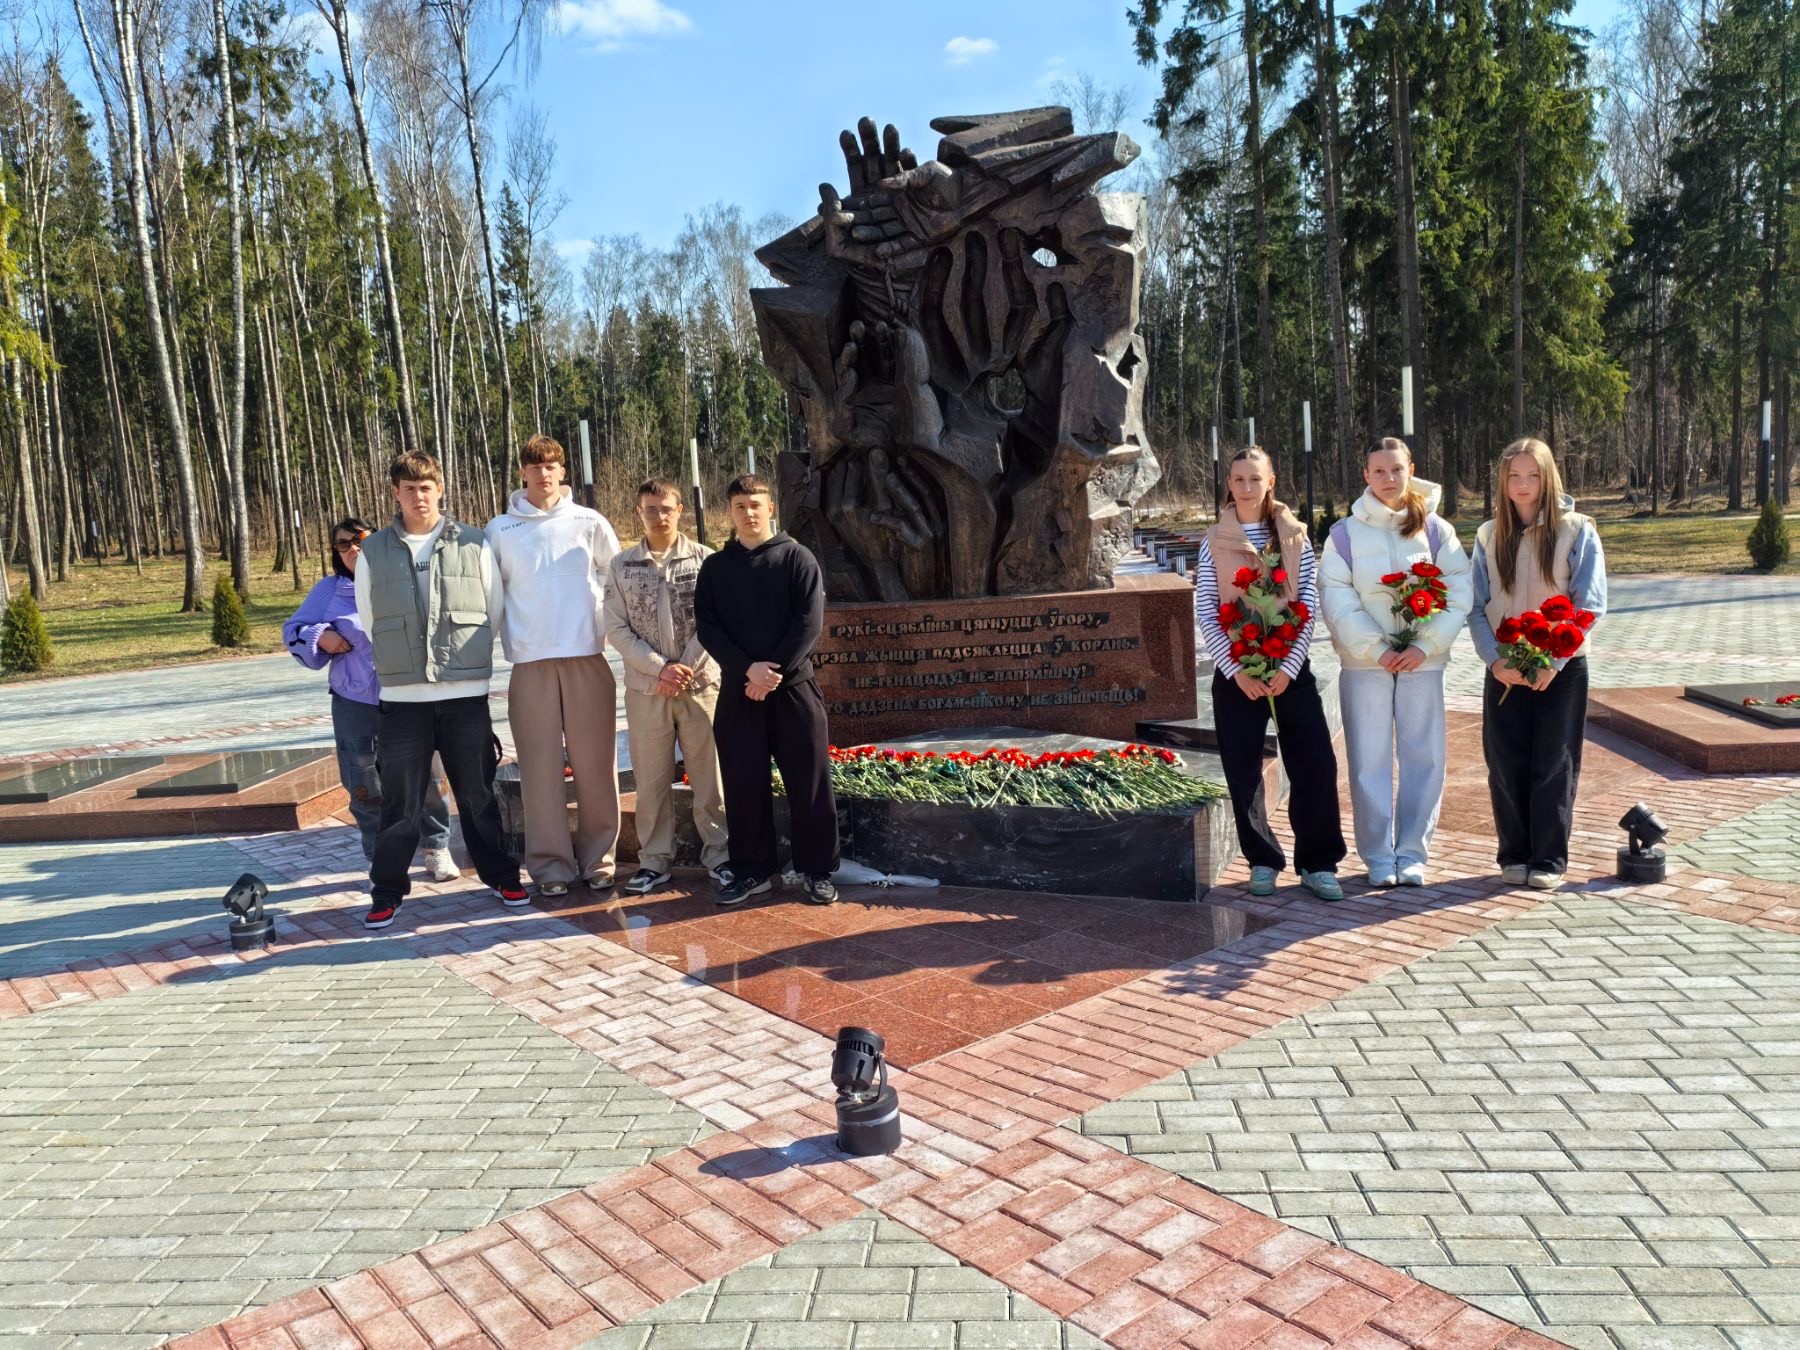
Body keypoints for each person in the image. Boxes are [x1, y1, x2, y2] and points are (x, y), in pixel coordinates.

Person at [354, 451, 522, 929]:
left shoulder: (473, 542)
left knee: (478, 795)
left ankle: (502, 876)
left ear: (440, 488)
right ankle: (387, 891)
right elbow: (370, 619)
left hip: (463, 694)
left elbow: (492, 611)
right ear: (395, 494)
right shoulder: (374, 551)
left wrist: (457, 663)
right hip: (403, 700)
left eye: (426, 487)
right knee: (400, 804)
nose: (418, 496)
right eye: (408, 488)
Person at [1320, 438, 1472, 888]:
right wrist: (1376, 649)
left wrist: (1424, 646)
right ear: (1365, 476)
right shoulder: (1344, 535)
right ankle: (1378, 856)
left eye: (1396, 470)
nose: (1388, 479)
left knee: (1423, 755)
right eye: (1378, 471)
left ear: (1411, 470)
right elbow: (1338, 597)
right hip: (1366, 664)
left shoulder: (1436, 530)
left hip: (1423, 662)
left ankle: (1411, 853)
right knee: (1368, 759)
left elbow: (1458, 588)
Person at [1196, 446, 1346, 901]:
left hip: (1288, 669)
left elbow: (1307, 604)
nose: (1246, 488)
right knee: (1242, 771)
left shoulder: (1295, 536)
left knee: (1315, 764)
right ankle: (1262, 859)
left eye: (1254, 479)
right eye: (1238, 479)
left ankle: (1318, 863)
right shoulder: (1214, 540)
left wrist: (1289, 665)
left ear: (1271, 481)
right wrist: (1235, 669)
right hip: (1237, 671)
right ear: (1228, 483)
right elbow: (1206, 607)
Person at [1468, 437, 1607, 892]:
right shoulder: (1489, 534)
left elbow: (1590, 604)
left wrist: (1556, 660)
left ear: (1548, 478)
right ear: (1503, 482)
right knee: (1505, 761)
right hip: (1507, 670)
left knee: (1554, 763)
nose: (1523, 484)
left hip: (1560, 671)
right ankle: (1513, 854)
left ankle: (1548, 858)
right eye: (1514, 476)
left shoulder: (1577, 528)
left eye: (1532, 475)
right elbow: (1475, 606)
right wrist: (1494, 660)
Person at [694, 474, 839, 907]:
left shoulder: (798, 559)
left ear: (770, 508)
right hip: (739, 694)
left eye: (756, 504)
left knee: (809, 783)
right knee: (743, 784)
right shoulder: (716, 568)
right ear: (731, 512)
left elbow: (808, 624)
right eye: (740, 506)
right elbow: (708, 629)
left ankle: (816, 871)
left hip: (793, 690)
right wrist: (747, 671)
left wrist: (771, 672)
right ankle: (752, 872)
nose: (748, 512)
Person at [283, 517, 458, 878]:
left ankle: (436, 847)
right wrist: (321, 635)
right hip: (355, 701)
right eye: (342, 545)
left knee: (426, 774)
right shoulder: (329, 590)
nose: (352, 549)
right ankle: (381, 855)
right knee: (363, 780)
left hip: (410, 695)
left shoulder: (400, 576)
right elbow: (294, 629)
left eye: (359, 539)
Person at [486, 434, 622, 898]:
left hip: (586, 657)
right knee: (539, 772)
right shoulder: (499, 529)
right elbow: (491, 599)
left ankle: (599, 860)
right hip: (531, 665)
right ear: (522, 472)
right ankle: (550, 867)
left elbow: (616, 577)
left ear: (563, 471)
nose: (543, 473)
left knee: (595, 767)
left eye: (552, 465)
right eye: (534, 465)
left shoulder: (589, 521)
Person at [605, 478, 730, 895]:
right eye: (650, 509)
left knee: (709, 776)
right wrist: (660, 669)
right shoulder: (622, 564)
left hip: (701, 685)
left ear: (680, 511)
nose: (659, 516)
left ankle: (720, 854)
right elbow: (617, 629)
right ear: (638, 513)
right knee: (651, 781)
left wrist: (684, 667)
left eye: (667, 508)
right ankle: (654, 861)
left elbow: (715, 621)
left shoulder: (706, 560)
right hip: (647, 690)